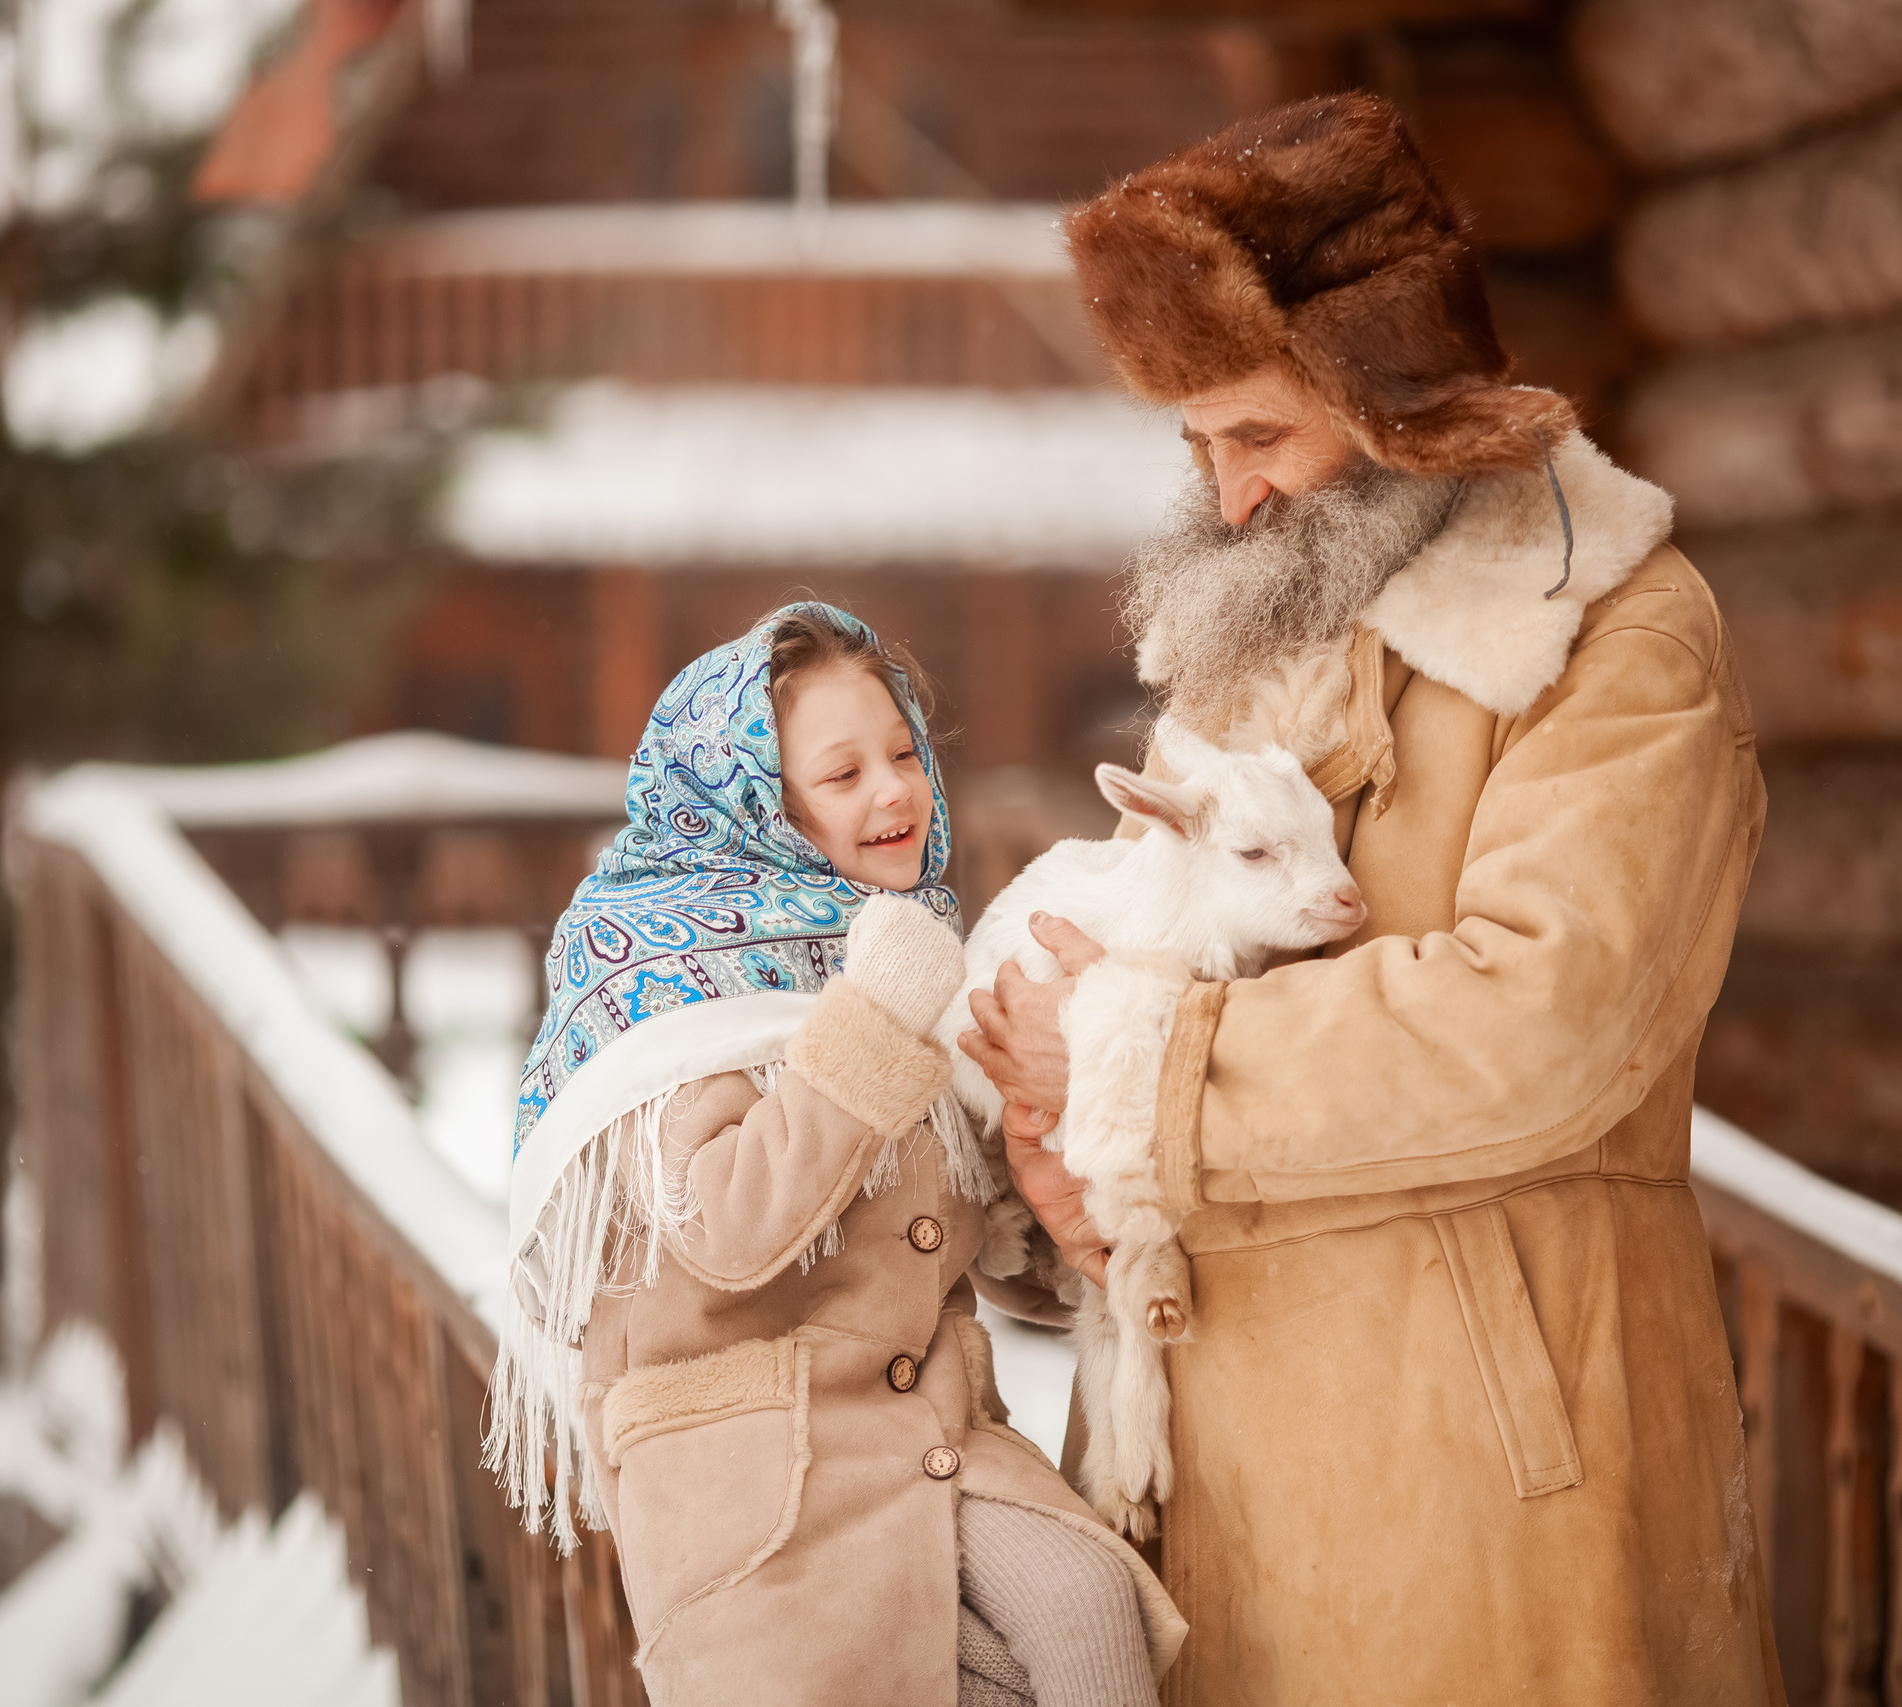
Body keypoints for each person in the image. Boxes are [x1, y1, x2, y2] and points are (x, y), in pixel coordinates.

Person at [957, 96, 1789, 1705]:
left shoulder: (1622, 638)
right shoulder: (1259, 633)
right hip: (1215, 1480)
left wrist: (1126, 1071)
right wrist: (1072, 1191)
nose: (1229, 496)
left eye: (1258, 434)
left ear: (1397, 401)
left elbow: (1539, 1019)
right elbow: (1158, 959)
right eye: (1197, 444)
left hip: (1481, 1489)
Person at [487, 602, 1185, 1706]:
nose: (895, 792)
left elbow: (936, 1244)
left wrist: (1052, 1223)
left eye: (903, 753)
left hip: (925, 1428)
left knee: (1094, 1616)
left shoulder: (880, 946)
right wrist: (871, 1015)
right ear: (756, 806)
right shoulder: (661, 982)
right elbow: (727, 1232)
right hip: (760, 1475)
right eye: (844, 773)